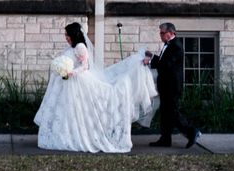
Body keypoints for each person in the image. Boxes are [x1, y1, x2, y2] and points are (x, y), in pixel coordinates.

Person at [34, 22, 157, 153]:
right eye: (65, 34)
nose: (66, 37)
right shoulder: (72, 47)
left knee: (78, 110)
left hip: (77, 81)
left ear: (73, 34)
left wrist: (71, 72)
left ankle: (77, 136)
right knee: (66, 110)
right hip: (67, 83)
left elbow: (84, 66)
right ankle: (65, 135)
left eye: (67, 34)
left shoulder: (81, 47)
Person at [143, 22, 201, 148]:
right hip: (166, 86)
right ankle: (165, 139)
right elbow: (164, 61)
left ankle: (192, 132)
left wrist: (151, 61)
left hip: (172, 87)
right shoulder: (168, 46)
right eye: (160, 33)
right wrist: (152, 56)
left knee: (172, 113)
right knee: (165, 113)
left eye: (162, 33)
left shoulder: (177, 46)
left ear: (170, 33)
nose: (160, 35)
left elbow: (167, 65)